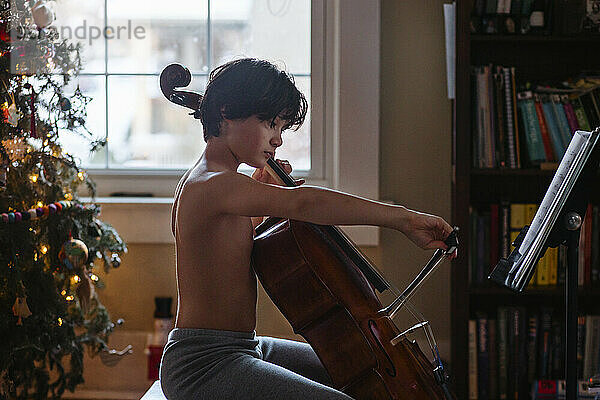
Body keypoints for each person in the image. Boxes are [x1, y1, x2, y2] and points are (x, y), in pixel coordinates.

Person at [159, 58, 456, 400]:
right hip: (204, 364)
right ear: (226, 112)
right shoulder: (212, 184)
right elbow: (304, 203)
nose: (278, 140)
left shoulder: (223, 186)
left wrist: (260, 197)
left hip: (243, 347)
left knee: (358, 363)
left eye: (281, 128)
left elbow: (229, 247)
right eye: (271, 124)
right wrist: (403, 218)